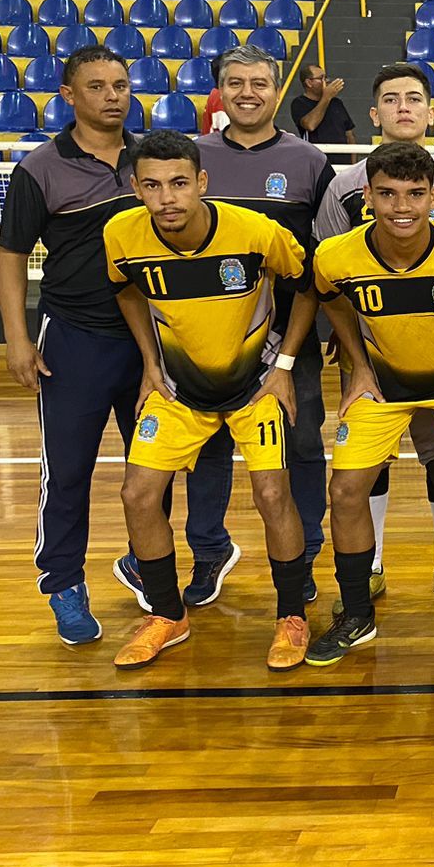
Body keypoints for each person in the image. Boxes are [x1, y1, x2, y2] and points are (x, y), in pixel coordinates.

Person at [113, 45, 336, 612]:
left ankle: (303, 554)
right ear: (220, 91)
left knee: (302, 444)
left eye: (260, 82)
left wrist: (302, 347)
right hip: (200, 336)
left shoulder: (307, 160)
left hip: (284, 340)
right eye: (235, 82)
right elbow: (131, 276)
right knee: (205, 449)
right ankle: (208, 549)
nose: (248, 93)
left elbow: (321, 260)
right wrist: (151, 361)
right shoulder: (185, 157)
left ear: (276, 90)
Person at [104, 129, 318, 670]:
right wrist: (151, 363)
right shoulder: (121, 234)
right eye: (152, 185)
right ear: (134, 187)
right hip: (177, 390)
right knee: (137, 495)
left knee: (273, 495)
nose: (167, 197)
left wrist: (286, 366)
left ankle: (291, 615)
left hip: (255, 386)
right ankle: (166, 614)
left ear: (202, 181)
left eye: (179, 183)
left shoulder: (253, 231)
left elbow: (310, 285)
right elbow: (127, 288)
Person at [308, 140, 434, 667]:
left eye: (415, 195)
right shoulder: (337, 255)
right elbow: (328, 295)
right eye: (388, 195)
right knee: (346, 488)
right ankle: (356, 613)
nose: (402, 208)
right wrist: (355, 363)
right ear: (368, 196)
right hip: (381, 384)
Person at [313, 62, 434, 614]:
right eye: (390, 98)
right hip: (370, 354)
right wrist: (353, 352)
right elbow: (329, 277)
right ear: (375, 113)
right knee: (366, 462)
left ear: (431, 112)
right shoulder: (342, 187)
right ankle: (373, 562)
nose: (403, 107)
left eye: (414, 98)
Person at [0, 46, 143, 644]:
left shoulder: (152, 158)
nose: (112, 95)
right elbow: (11, 259)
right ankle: (63, 584)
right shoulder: (40, 167)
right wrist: (17, 341)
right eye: (97, 86)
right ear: (69, 95)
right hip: (74, 341)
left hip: (147, 342)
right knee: (69, 472)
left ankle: (148, 565)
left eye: (120, 84)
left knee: (153, 468)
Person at [290, 64, 356, 146]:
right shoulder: (299, 103)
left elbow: (349, 135)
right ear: (309, 83)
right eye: (321, 78)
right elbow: (310, 125)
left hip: (342, 156)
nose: (326, 81)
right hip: (317, 157)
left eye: (326, 77)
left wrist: (353, 158)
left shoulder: (336, 102)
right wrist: (326, 97)